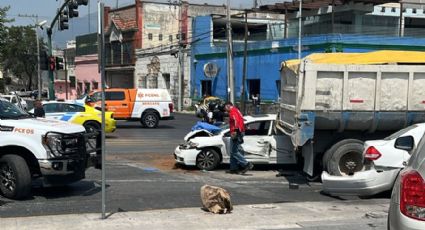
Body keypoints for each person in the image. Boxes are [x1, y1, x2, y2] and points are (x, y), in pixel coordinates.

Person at [224, 102, 253, 174]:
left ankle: (246, 164)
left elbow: (236, 121)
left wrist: (236, 131)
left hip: (236, 133)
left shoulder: (232, 111)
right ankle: (233, 168)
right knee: (232, 151)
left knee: (234, 151)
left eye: (225, 107)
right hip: (237, 132)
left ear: (228, 106)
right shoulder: (236, 110)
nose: (225, 110)